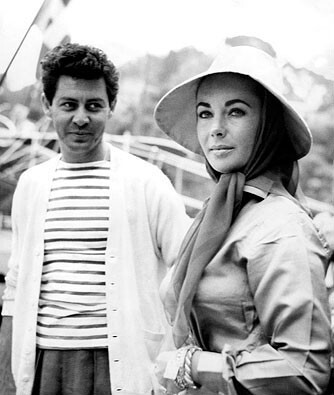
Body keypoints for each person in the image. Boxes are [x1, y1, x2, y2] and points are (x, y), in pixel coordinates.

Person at [0, 43, 191, 395]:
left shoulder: (147, 182)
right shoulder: (31, 184)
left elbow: (187, 272)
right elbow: (15, 286)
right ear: (47, 105)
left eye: (94, 106)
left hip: (119, 362)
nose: (81, 118)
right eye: (69, 105)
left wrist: (179, 362)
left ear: (111, 107)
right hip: (44, 362)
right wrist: (5, 376)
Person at [153, 36, 333, 394]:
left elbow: (305, 369)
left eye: (236, 111)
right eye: (205, 113)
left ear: (268, 125)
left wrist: (197, 366)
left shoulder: (280, 225)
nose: (215, 128)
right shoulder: (219, 213)